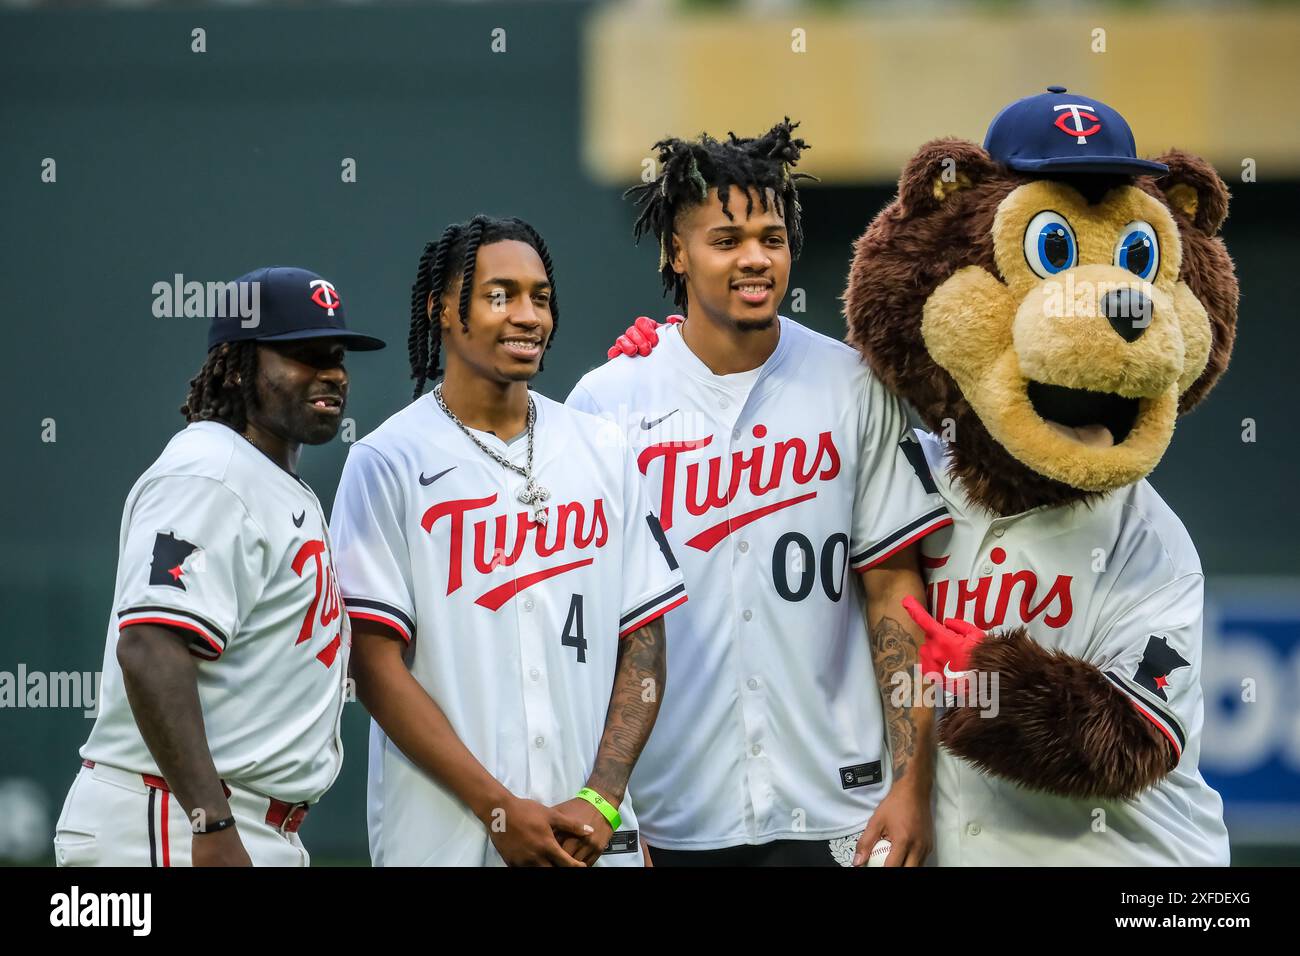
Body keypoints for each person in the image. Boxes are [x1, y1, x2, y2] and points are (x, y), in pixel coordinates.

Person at [569, 121, 949, 866]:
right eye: (726, 239)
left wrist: (910, 787)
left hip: (839, 807)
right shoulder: (606, 402)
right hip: (675, 812)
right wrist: (615, 807)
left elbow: (895, 591)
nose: (754, 258)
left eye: (771, 238)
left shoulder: (852, 383)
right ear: (676, 252)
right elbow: (590, 631)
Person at [330, 215, 686, 866]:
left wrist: (602, 798)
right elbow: (374, 668)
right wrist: (497, 809)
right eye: (501, 295)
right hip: (442, 842)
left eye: (540, 297)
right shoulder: (386, 460)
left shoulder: (603, 449)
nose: (528, 315)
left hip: (590, 842)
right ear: (443, 309)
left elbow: (645, 640)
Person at [54, 266, 385, 867]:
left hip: (241, 823)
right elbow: (151, 646)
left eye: (336, 355)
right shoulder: (210, 474)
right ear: (236, 367)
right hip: (170, 822)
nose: (332, 373)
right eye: (303, 354)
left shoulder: (270, 480)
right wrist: (212, 824)